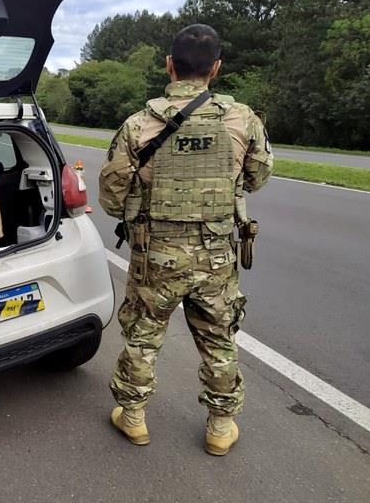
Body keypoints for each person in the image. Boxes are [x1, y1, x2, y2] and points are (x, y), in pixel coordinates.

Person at [98, 24, 273, 456]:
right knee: (219, 340)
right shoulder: (242, 120)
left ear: (169, 65)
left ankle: (133, 418)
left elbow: (110, 197)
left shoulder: (139, 124)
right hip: (215, 256)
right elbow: (258, 176)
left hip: (155, 256)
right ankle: (220, 426)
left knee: (142, 337)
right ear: (216, 68)